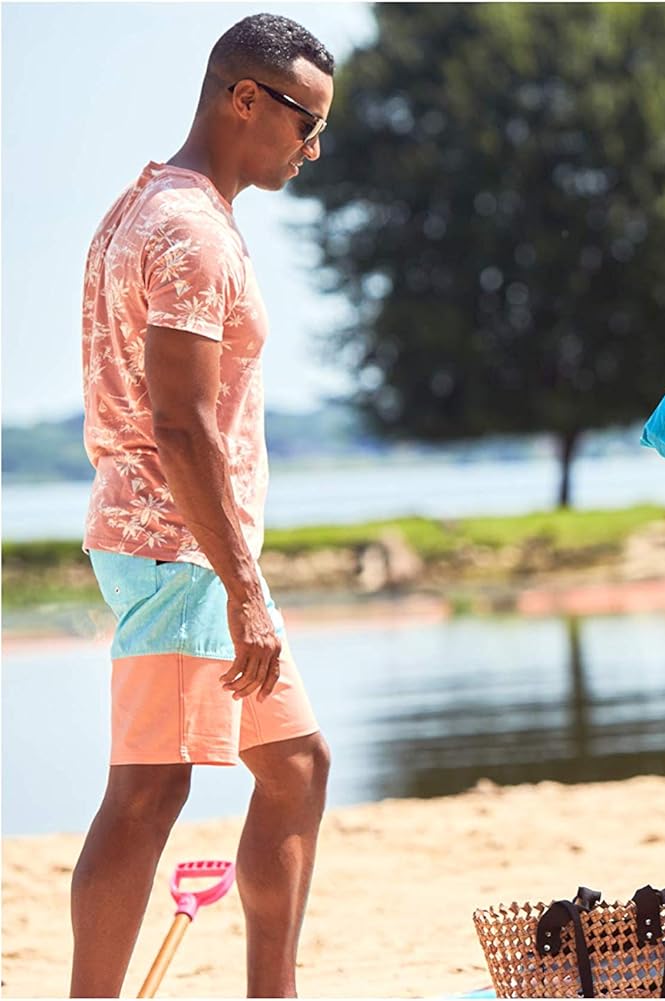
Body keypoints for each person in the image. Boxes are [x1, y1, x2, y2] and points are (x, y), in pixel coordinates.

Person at [72, 14, 335, 998]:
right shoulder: (186, 231)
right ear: (242, 99)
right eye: (304, 121)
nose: (311, 147)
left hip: (177, 549)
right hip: (180, 552)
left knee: (296, 766)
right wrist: (245, 589)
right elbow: (180, 425)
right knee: (147, 791)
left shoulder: (150, 207)